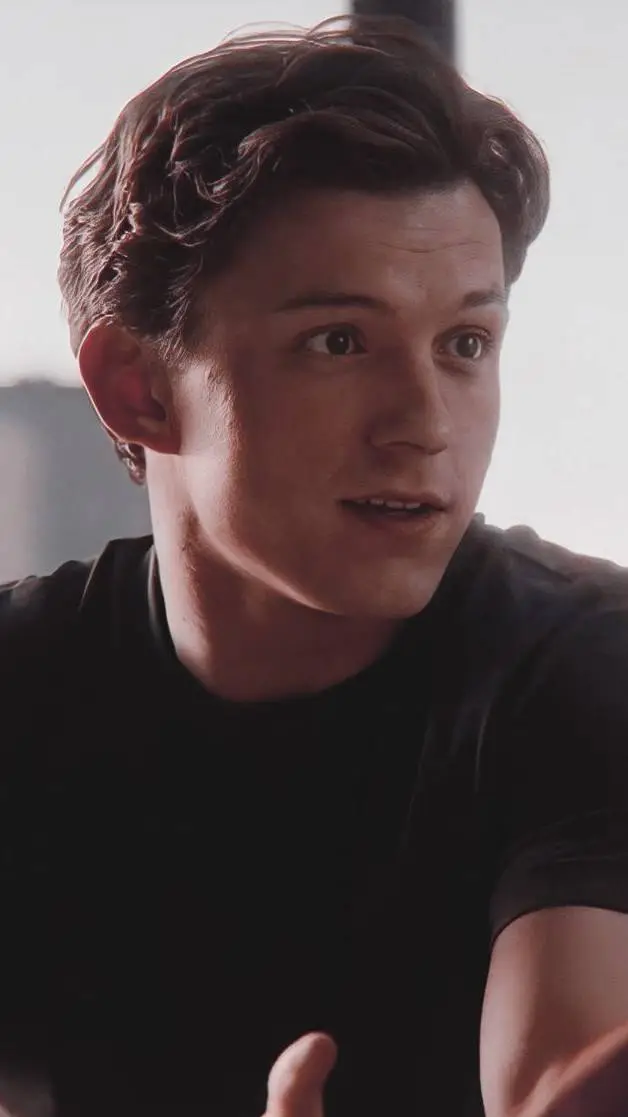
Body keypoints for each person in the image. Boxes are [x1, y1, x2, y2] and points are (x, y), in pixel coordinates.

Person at [2, 14, 628, 1117]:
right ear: (140, 388)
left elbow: (559, 1080)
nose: (424, 425)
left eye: (465, 344)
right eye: (339, 341)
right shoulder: (24, 688)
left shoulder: (581, 668)